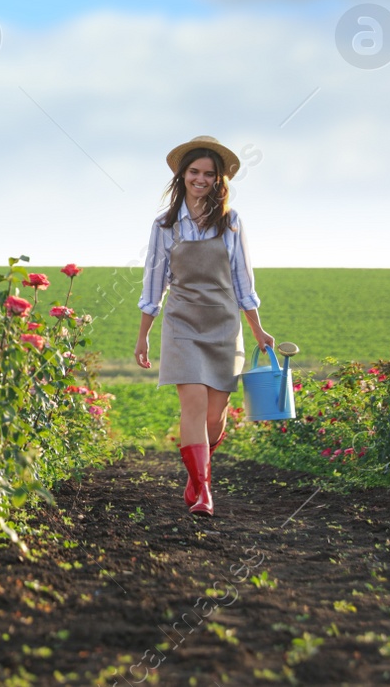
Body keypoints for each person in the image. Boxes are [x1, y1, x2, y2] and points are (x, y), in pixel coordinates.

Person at [134, 136, 273, 516]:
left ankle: (196, 476)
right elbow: (153, 283)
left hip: (224, 324)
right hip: (181, 322)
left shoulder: (231, 222)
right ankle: (205, 491)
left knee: (215, 413)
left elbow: (244, 280)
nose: (200, 179)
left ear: (218, 180)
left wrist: (258, 329)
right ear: (182, 176)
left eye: (208, 174)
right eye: (194, 172)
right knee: (192, 402)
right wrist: (143, 334)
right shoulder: (165, 225)